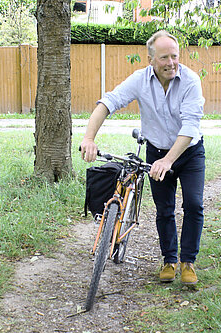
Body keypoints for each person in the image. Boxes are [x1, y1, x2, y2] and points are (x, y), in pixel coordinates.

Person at [80, 30, 205, 285]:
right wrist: (88, 138)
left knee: (193, 204)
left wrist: (169, 160)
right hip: (156, 150)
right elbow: (108, 102)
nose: (171, 63)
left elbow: (191, 127)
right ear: (151, 60)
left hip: (189, 152)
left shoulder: (191, 81)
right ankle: (169, 260)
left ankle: (188, 262)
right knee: (164, 208)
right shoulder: (139, 80)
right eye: (164, 58)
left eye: (174, 56)